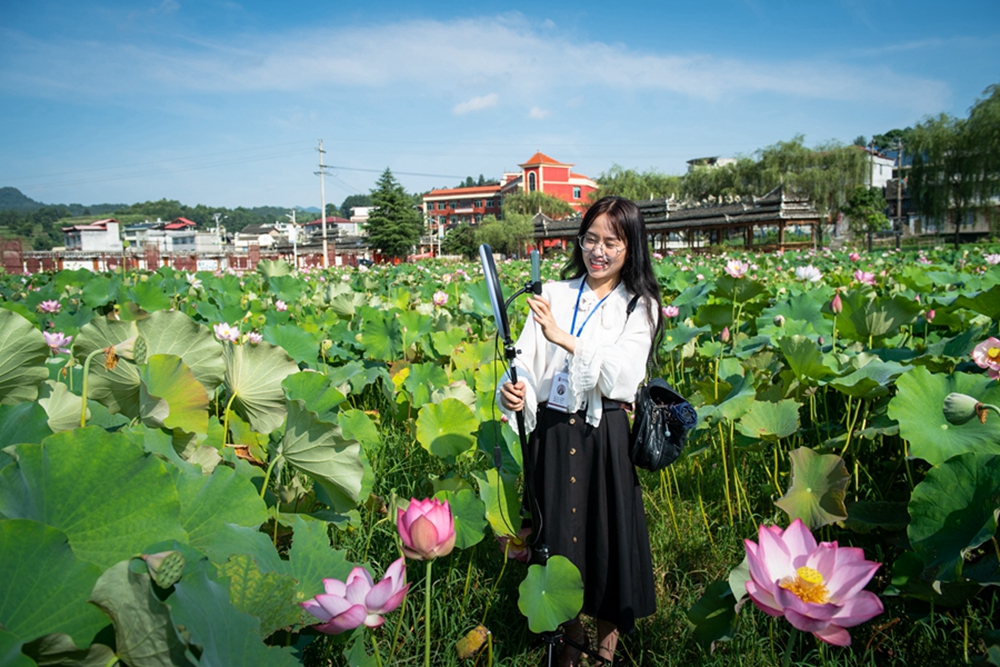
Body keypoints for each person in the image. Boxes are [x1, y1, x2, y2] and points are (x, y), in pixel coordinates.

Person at [498, 196, 663, 666]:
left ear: (631, 248)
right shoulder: (554, 292)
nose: (599, 250)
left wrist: (564, 338)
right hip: (551, 431)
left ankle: (605, 653)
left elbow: (623, 378)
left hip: (603, 437)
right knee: (557, 543)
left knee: (606, 541)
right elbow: (526, 364)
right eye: (591, 238)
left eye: (612, 241)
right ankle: (569, 644)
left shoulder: (640, 306)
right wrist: (517, 393)